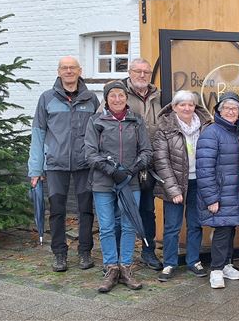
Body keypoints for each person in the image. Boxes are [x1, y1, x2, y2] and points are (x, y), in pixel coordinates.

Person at [27, 56, 99, 272]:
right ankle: (59, 254)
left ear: (80, 71)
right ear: (59, 72)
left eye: (72, 68)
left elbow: (100, 133)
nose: (69, 71)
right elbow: (38, 134)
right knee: (57, 211)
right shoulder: (47, 98)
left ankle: (85, 252)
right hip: (55, 164)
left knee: (86, 210)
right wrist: (36, 168)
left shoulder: (91, 99)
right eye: (64, 68)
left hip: (84, 163)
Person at [84, 81, 152, 292]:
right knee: (106, 226)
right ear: (106, 98)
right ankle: (111, 268)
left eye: (121, 95)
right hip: (103, 182)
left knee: (129, 224)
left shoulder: (136, 121)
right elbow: (90, 154)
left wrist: (132, 169)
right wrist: (112, 171)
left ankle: (125, 267)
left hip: (130, 182)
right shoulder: (96, 121)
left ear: (126, 98)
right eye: (112, 95)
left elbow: (146, 151)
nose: (117, 99)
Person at [152, 90, 212, 282]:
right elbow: (161, 161)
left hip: (198, 182)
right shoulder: (164, 127)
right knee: (172, 226)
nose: (187, 108)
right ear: (174, 107)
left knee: (195, 224)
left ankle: (194, 260)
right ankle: (169, 263)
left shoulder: (206, 125)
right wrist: (173, 190)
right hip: (175, 184)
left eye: (190, 104)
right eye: (182, 105)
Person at [196, 92, 239, 289]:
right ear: (219, 111)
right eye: (227, 108)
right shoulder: (211, 133)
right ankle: (216, 270)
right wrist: (211, 198)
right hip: (219, 193)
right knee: (221, 230)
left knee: (230, 228)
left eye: (234, 108)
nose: (231, 111)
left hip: (235, 191)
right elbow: (204, 169)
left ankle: (227, 265)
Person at [121, 58, 163, 271]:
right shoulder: (119, 94)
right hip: (125, 165)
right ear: (130, 72)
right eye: (138, 71)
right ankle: (120, 257)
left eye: (146, 72)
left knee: (147, 210)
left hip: (149, 165)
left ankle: (148, 251)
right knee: (124, 209)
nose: (142, 75)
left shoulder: (159, 96)